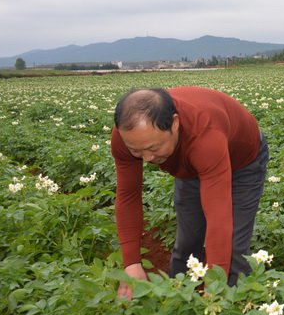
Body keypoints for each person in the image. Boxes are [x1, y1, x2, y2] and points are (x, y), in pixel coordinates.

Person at [110, 86, 268, 298]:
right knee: (187, 243)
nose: (146, 158)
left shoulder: (205, 135)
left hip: (243, 162)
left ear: (174, 124)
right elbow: (128, 196)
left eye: (154, 148)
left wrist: (215, 288)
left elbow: (218, 218)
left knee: (233, 251)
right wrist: (131, 264)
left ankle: (231, 309)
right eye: (136, 151)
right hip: (191, 162)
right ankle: (177, 299)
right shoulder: (127, 135)